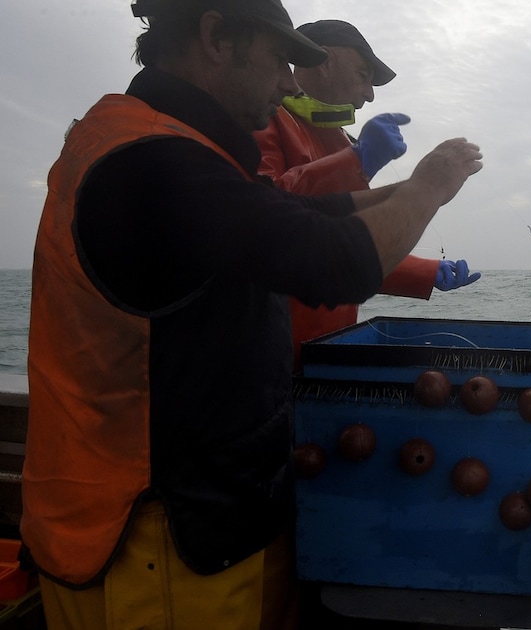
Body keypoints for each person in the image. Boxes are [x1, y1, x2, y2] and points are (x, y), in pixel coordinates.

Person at [21, 0, 481, 628]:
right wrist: (432, 184)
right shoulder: (150, 160)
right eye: (280, 60)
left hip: (202, 522)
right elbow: (330, 262)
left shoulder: (163, 144)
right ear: (215, 35)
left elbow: (285, 214)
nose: (290, 83)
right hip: (151, 534)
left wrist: (396, 193)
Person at [254, 19, 479, 362]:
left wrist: (424, 271)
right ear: (325, 62)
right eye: (363, 75)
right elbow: (269, 216)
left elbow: (348, 247)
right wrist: (357, 161)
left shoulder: (343, 139)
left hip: (325, 353)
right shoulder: (262, 119)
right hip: (273, 353)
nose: (370, 93)